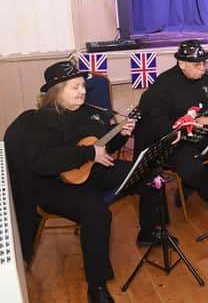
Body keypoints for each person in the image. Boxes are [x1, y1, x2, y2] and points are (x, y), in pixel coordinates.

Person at [28, 61, 159, 303]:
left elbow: (104, 147)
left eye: (82, 86)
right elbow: (41, 162)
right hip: (58, 184)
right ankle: (96, 286)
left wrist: (121, 135)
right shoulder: (42, 120)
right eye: (74, 87)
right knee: (97, 213)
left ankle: (149, 231)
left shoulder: (90, 112)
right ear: (56, 91)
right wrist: (88, 154)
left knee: (146, 172)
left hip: (94, 171)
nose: (82, 91)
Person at [134, 40, 208, 211]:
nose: (202, 68)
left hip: (205, 135)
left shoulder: (207, 81)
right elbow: (159, 124)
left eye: (204, 63)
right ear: (182, 63)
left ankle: (190, 185)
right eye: (197, 64)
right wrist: (196, 123)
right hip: (176, 140)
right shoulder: (164, 84)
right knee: (192, 168)